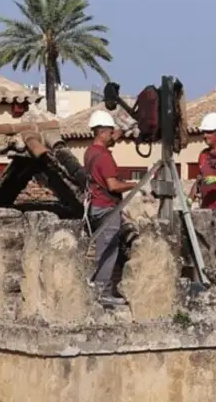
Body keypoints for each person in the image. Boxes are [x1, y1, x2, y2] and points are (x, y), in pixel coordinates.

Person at [84, 109, 135, 306]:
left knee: (104, 249)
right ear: (103, 132)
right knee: (108, 250)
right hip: (107, 208)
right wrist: (135, 184)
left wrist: (120, 134)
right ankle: (102, 292)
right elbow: (113, 185)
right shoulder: (105, 157)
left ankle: (98, 289)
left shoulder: (90, 152)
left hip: (95, 207)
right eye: (111, 133)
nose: (113, 136)